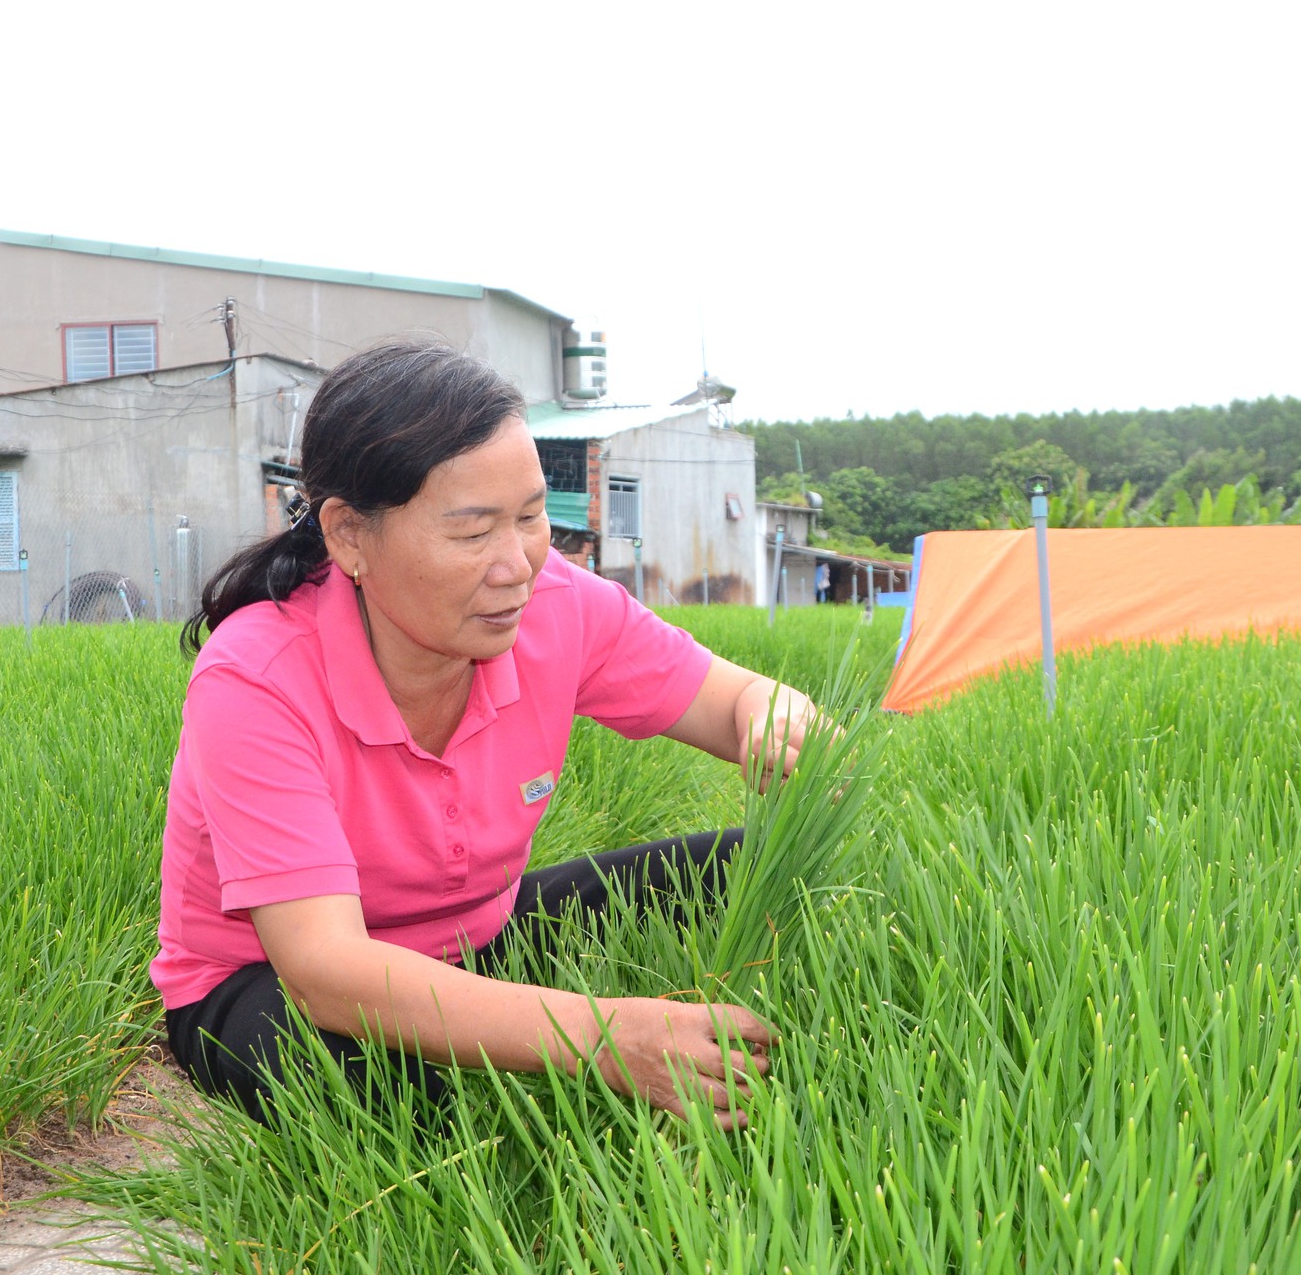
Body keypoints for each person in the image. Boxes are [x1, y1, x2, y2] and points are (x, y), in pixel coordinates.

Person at [152, 339, 823, 1131]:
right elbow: (323, 967)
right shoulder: (258, 674)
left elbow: (736, 698)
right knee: (407, 1095)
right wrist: (601, 1037)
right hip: (268, 982)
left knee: (751, 863)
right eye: (473, 533)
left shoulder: (560, 606)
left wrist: (777, 721)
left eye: (533, 518)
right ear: (349, 536)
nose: (518, 565)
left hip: (477, 936)